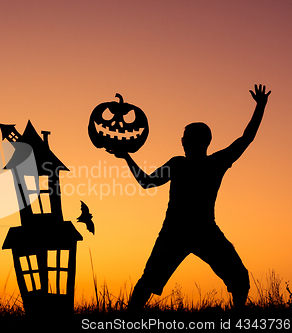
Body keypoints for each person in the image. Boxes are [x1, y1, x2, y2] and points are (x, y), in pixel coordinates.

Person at [112, 84, 271, 310]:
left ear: (197, 141)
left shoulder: (188, 164)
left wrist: (127, 157)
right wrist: (261, 106)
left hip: (186, 231)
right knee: (238, 279)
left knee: (237, 278)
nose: (182, 141)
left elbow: (146, 182)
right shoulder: (208, 163)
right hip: (191, 231)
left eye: (185, 137)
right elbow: (247, 138)